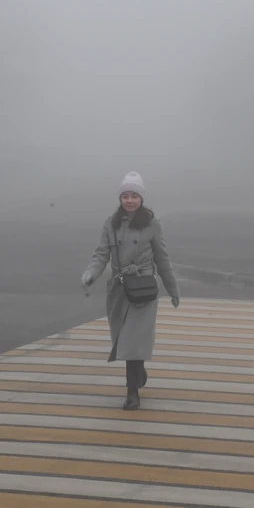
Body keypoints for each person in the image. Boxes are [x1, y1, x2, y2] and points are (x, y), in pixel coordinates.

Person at [81, 172, 180, 410]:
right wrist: (91, 273)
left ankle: (132, 392)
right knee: (126, 340)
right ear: (120, 198)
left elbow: (162, 258)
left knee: (133, 341)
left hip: (144, 289)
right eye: (125, 196)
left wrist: (172, 288)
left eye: (134, 195)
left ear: (141, 198)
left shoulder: (151, 223)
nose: (130, 200)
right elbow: (101, 254)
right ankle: (139, 372)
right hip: (120, 289)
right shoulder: (111, 223)